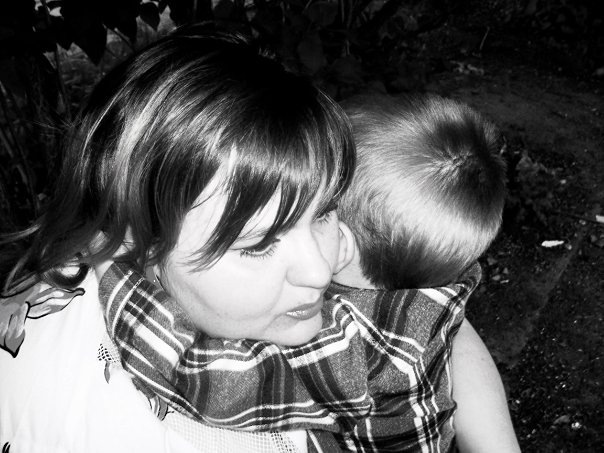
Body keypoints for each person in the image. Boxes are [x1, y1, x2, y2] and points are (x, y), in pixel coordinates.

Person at [95, 94, 520, 451]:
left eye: (321, 213)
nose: (313, 270)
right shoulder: (427, 292)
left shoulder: (364, 350)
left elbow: (200, 378)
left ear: (341, 244)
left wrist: (111, 262)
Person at [0, 27, 356, 453]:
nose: (320, 271)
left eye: (323, 213)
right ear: (135, 244)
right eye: (259, 245)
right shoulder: (95, 425)